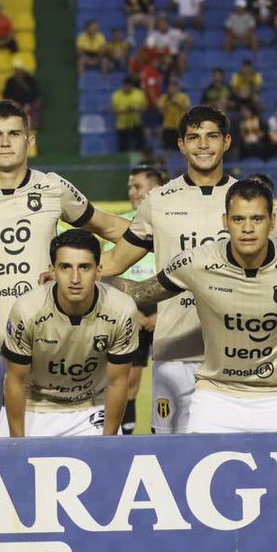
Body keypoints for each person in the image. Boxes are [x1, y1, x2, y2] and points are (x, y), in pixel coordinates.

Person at [99, 109, 277, 433]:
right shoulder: (158, 201)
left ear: (226, 142)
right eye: (194, 137)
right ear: (181, 145)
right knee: (171, 453)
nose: (203, 145)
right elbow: (116, 261)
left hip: (239, 360)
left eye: (212, 136)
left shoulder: (248, 201)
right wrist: (63, 274)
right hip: (175, 354)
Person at [0, 100, 129, 438]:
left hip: (45, 344)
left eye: (14, 134)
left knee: (42, 445)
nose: (5, 142)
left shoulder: (53, 188)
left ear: (30, 140)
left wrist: (141, 245)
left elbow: (111, 227)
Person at [110, 178, 277, 433]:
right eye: (238, 219)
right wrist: (94, 279)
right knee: (192, 457)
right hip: (217, 396)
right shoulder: (197, 262)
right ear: (225, 222)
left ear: (272, 221)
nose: (247, 228)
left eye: (257, 219)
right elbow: (140, 292)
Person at [3, 229, 137, 438]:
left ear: (98, 271)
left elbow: (118, 382)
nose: (75, 278)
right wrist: (16, 444)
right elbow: (15, 381)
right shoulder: (27, 310)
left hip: (92, 406)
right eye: (65, 267)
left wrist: (108, 443)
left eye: (84, 267)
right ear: (52, 271)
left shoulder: (121, 309)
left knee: (109, 458)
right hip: (34, 405)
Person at [111, 166, 164, 433]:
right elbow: (108, 274)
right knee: (128, 380)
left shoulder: (171, 225)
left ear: (155, 190)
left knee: (172, 377)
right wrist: (136, 313)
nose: (132, 192)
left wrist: (161, 314)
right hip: (131, 311)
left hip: (168, 311)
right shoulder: (119, 225)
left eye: (138, 187)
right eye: (130, 187)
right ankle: (125, 436)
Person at [111, 75, 147, 152]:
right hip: (122, 124)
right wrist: (125, 110)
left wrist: (135, 110)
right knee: (123, 147)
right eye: (125, 85)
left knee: (140, 146)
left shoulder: (139, 94)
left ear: (132, 86)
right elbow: (114, 110)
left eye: (128, 85)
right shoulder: (117, 95)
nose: (126, 87)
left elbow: (145, 108)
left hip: (136, 123)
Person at [2, 58, 41, 124]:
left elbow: (35, 93)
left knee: (35, 106)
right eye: (15, 70)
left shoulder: (30, 80)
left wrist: (27, 104)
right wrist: (16, 103)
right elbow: (6, 95)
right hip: (15, 104)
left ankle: (33, 124)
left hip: (29, 104)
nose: (17, 72)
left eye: (19, 69)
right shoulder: (10, 81)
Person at [157, 78, 191, 150]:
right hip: (167, 126)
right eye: (171, 86)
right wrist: (168, 101)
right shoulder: (164, 97)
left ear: (178, 87)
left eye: (174, 86)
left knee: (181, 149)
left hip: (179, 126)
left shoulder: (183, 96)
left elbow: (187, 109)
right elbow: (160, 110)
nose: (172, 88)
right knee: (167, 148)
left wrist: (177, 102)